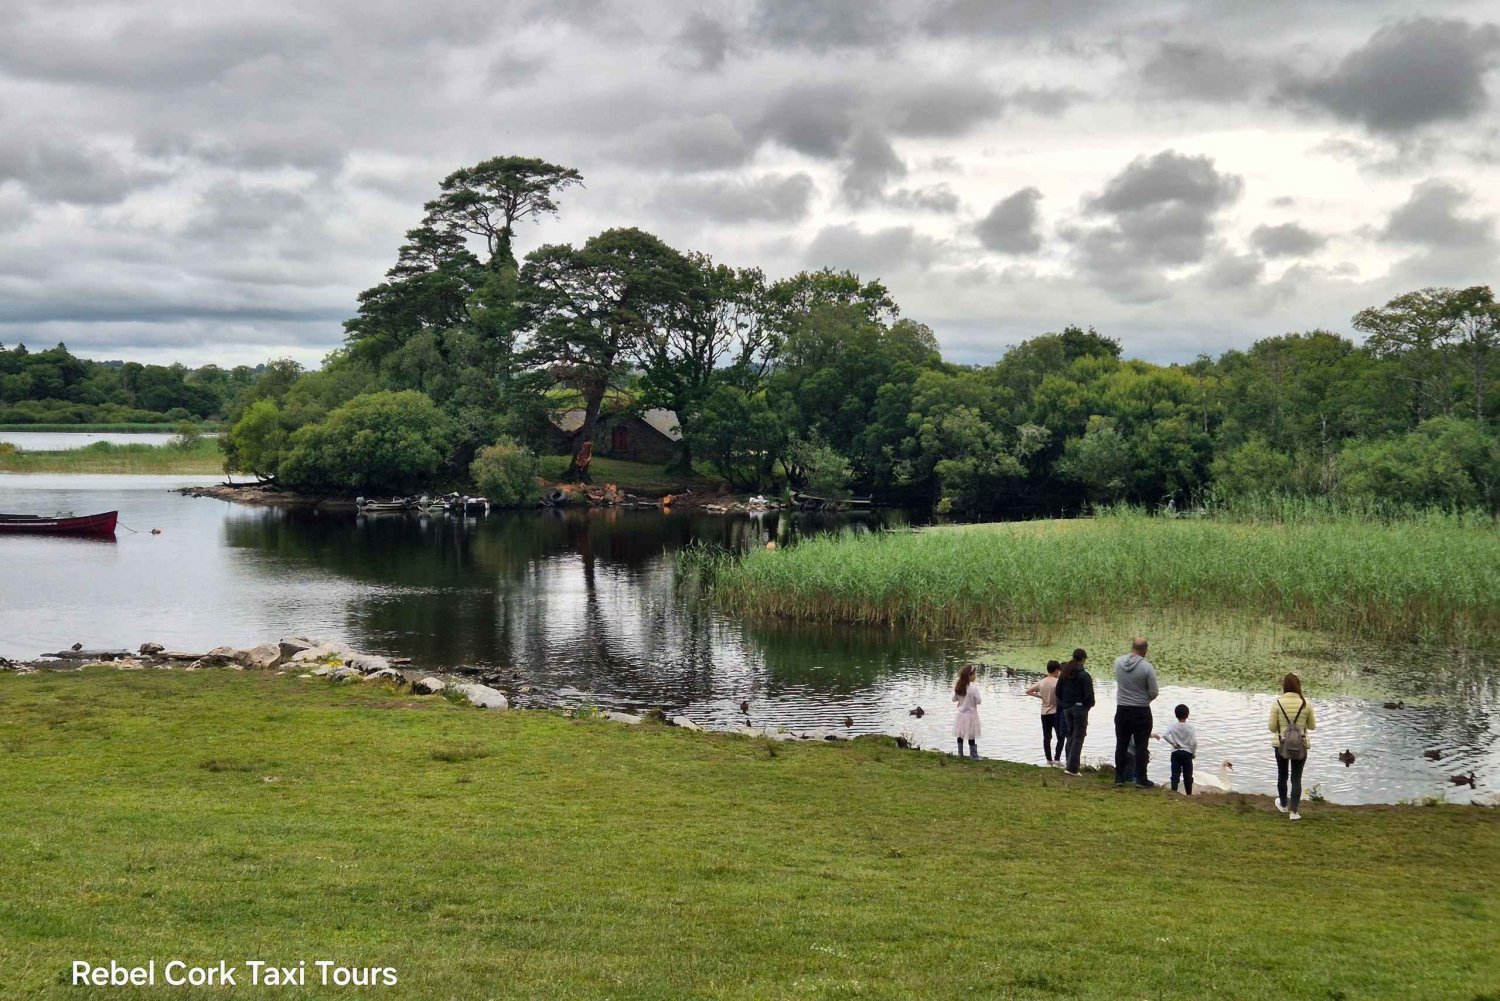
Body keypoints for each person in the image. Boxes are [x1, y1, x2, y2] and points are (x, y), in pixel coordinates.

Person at [1268, 673, 1317, 820]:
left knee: (1282, 775)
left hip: (1281, 744)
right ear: (1298, 686)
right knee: (1296, 778)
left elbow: (1271, 727)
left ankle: (1283, 804)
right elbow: (1312, 726)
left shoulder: (1277, 704)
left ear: (1284, 686)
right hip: (1300, 745)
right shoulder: (1306, 704)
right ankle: (1294, 812)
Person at [1113, 637, 1160, 788]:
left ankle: (1119, 776)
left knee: (1121, 744)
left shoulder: (1118, 662)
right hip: (1141, 710)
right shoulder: (1147, 667)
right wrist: (1143, 698)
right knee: (1141, 745)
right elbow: (1154, 692)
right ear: (1145, 651)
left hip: (1122, 709)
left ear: (1132, 647)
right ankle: (1141, 778)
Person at [1055, 649, 1094, 775]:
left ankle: (1069, 764)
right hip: (1080, 708)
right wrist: (1088, 706)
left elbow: (1058, 692)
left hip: (1067, 708)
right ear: (1083, 659)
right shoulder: (1084, 676)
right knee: (1078, 737)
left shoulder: (1064, 674)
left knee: (1071, 735)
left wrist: (1066, 703)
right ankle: (1072, 768)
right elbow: (1089, 696)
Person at [1025, 660, 1067, 764]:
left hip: (1044, 713)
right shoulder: (1057, 682)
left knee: (1047, 737)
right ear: (1057, 670)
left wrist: (1040, 696)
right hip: (1055, 712)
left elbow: (1028, 691)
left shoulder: (1042, 682)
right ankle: (1057, 759)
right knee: (1060, 737)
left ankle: (1048, 760)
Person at [1155, 703, 1197, 795]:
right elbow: (1194, 742)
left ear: (1175, 715)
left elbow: (1165, 735)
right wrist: (1193, 753)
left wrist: (1173, 744)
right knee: (1188, 775)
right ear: (1188, 714)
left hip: (1176, 753)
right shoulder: (1191, 728)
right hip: (1187, 753)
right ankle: (1188, 794)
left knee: (1175, 774)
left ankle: (1174, 792)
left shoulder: (1173, 726)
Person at [952, 664, 981, 760]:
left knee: (960, 734)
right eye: (974, 674)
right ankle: (973, 755)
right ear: (970, 675)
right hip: (971, 715)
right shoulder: (973, 688)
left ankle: (960, 753)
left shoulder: (959, 685)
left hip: (961, 715)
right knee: (971, 735)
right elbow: (979, 701)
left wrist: (961, 701)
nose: (975, 676)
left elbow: (954, 699)